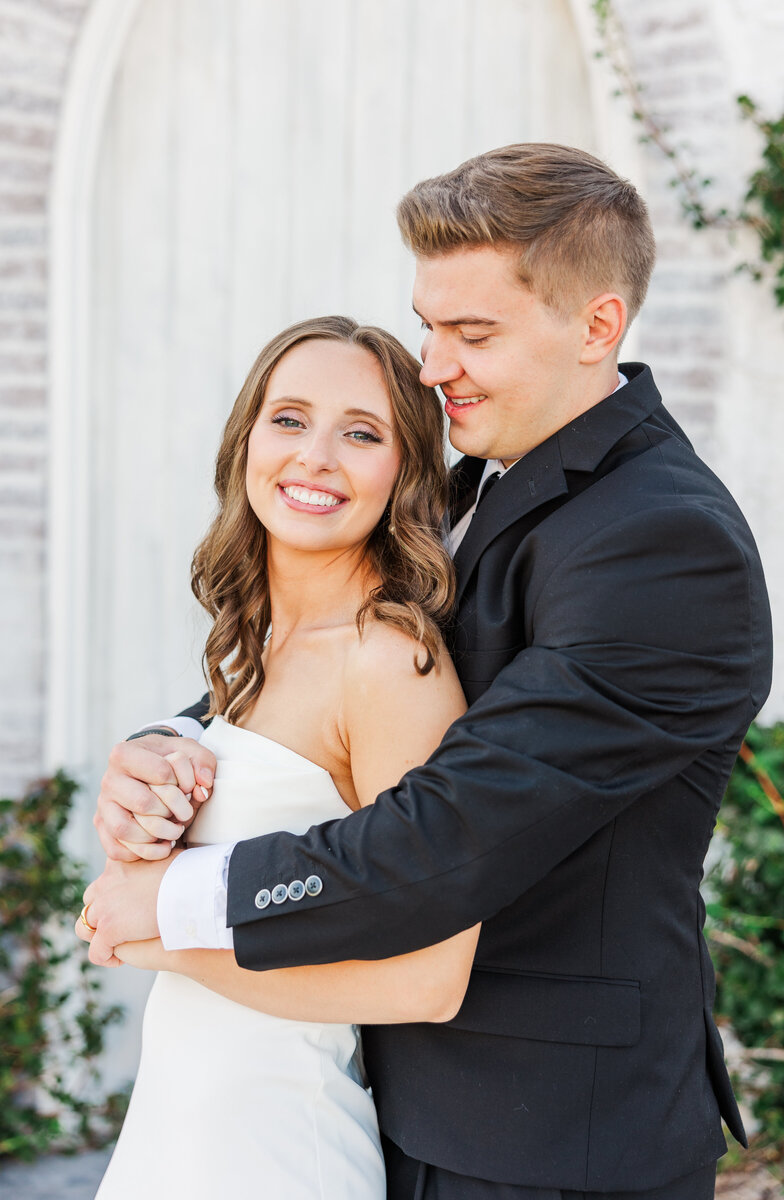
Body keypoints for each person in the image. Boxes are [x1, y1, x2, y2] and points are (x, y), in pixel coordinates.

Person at [80, 144, 773, 1200]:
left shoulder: (661, 541)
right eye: (428, 324)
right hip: (400, 1098)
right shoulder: (475, 490)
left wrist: (174, 901)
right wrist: (171, 750)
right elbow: (327, 680)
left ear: (595, 327)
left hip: (545, 1140)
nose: (428, 364)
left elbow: (451, 825)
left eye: (472, 333)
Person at [87, 315, 476, 1200]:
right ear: (247, 440)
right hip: (180, 1127)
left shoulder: (387, 660)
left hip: (277, 1149)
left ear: (406, 472)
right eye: (290, 418)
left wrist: (163, 936)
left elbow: (431, 979)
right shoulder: (255, 644)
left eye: (362, 433)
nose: (316, 457)